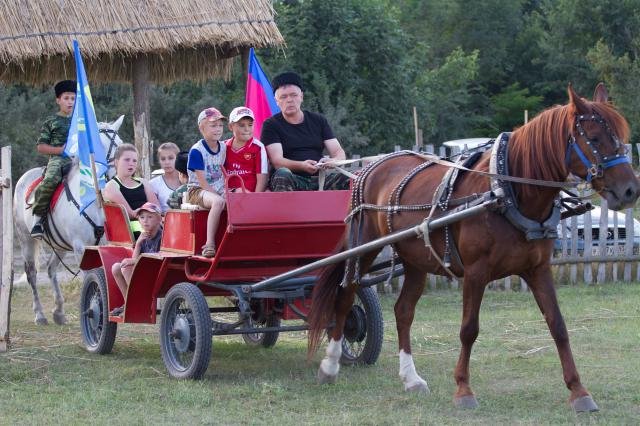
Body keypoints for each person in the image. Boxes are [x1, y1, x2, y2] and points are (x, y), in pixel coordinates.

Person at [260, 72, 349, 192]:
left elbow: (338, 152)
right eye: (283, 97)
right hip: (290, 178)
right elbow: (277, 161)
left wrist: (334, 161)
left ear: (301, 96)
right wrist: (302, 165)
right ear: (276, 101)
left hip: (320, 179)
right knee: (282, 174)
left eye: (293, 95)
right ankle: (284, 211)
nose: (289, 100)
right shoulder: (271, 125)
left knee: (350, 178)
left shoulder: (318, 120)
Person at [30, 80, 77, 238]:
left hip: (80, 158)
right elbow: (41, 147)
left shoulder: (81, 120)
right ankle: (38, 219)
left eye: (73, 98)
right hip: (59, 159)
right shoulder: (51, 121)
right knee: (50, 180)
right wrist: (60, 150)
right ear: (58, 100)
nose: (70, 102)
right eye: (66, 98)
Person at [186, 107, 227, 258]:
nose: (218, 129)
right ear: (202, 128)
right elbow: (203, 183)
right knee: (218, 202)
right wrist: (221, 196)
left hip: (219, 187)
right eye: (213, 125)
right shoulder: (197, 151)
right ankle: (209, 243)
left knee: (240, 199)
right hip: (198, 190)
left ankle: (233, 240)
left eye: (220, 125)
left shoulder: (223, 147)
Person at [110, 202, 163, 316]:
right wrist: (138, 244)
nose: (145, 221)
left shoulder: (161, 235)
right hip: (144, 271)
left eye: (150, 217)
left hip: (156, 274)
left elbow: (158, 258)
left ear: (159, 219)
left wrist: (134, 261)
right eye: (142, 217)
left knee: (126, 268)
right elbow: (135, 259)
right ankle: (129, 304)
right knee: (116, 268)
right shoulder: (143, 236)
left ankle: (139, 305)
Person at [103, 143, 159, 238]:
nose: (131, 163)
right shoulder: (111, 186)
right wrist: (149, 215)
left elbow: (156, 209)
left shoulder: (143, 182)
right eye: (127, 160)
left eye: (134, 161)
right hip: (129, 234)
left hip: (153, 229)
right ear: (116, 162)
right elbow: (131, 213)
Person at [224, 106, 268, 192]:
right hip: (227, 196)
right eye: (241, 125)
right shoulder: (223, 147)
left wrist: (254, 200)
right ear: (230, 126)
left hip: (251, 197)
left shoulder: (258, 147)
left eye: (250, 125)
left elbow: (262, 178)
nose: (247, 129)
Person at [150, 142, 181, 213]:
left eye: (171, 158)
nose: (167, 162)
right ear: (159, 161)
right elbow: (155, 211)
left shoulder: (188, 180)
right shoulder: (154, 184)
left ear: (178, 159)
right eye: (163, 159)